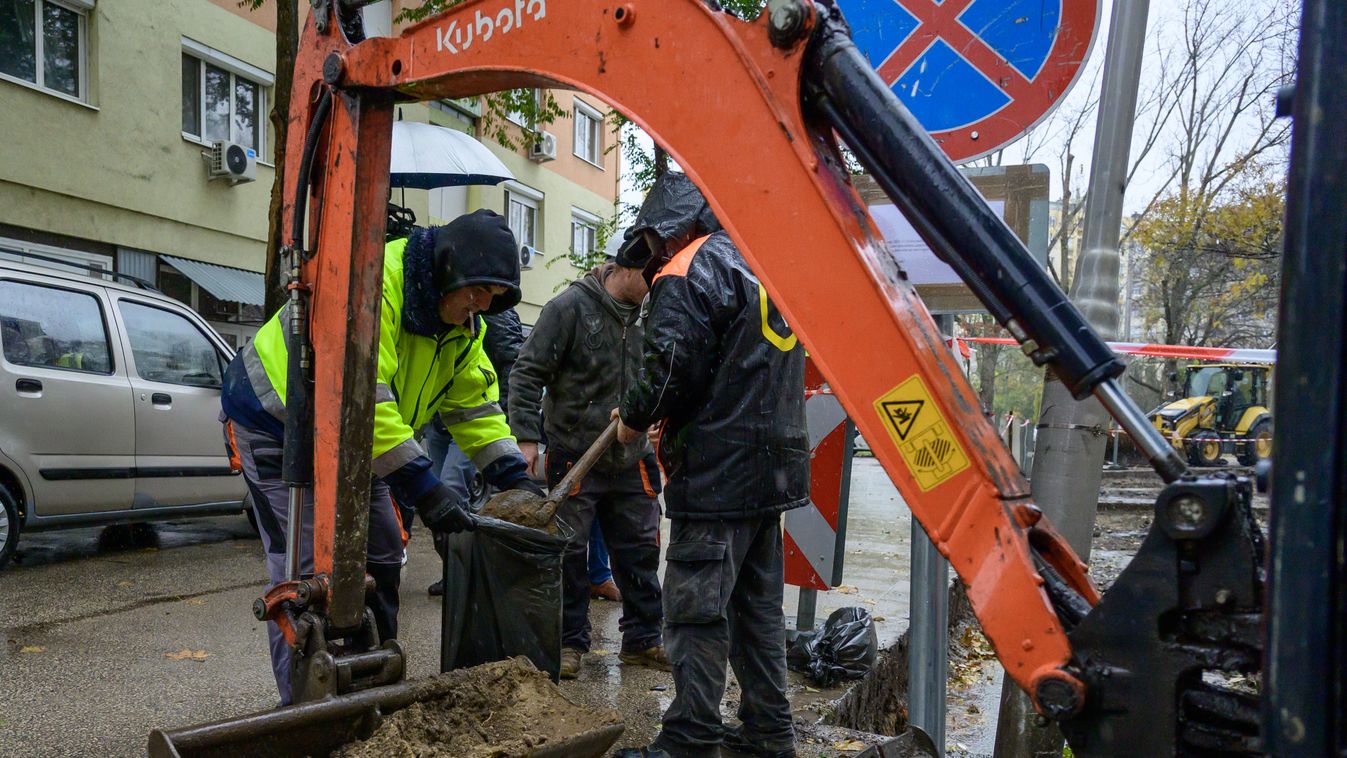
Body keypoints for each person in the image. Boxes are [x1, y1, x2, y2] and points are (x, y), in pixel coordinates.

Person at [220, 209, 543, 705]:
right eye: (477, 292)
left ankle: (369, 685)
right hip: (278, 422)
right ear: (449, 270)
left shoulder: (463, 327)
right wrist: (426, 487)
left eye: (492, 300)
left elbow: (474, 404)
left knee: (384, 552)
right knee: (306, 577)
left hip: (355, 437)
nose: (480, 307)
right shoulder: (374, 285)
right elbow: (362, 395)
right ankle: (301, 709)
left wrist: (514, 477)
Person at [611, 173, 808, 758]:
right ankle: (769, 735)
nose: (654, 260)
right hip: (769, 473)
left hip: (717, 474)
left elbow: (670, 364)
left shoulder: (691, 267)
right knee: (756, 614)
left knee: (696, 612)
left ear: (671, 226)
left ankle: (689, 740)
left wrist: (635, 415)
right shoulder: (760, 263)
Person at [509, 251, 668, 680]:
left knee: (640, 550)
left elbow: (665, 373)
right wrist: (526, 437)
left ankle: (643, 638)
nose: (656, 285)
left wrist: (658, 419)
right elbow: (527, 373)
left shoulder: (652, 313)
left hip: (632, 456)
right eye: (651, 276)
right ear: (627, 267)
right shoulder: (569, 308)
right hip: (575, 452)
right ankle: (568, 642)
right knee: (569, 553)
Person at [423, 306, 525, 596]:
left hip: (471, 417)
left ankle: (466, 572)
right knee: (435, 500)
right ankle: (453, 570)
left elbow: (511, 365)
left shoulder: (498, 315)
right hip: (439, 420)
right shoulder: (451, 305)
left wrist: (501, 412)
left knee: (451, 488)